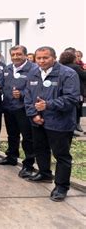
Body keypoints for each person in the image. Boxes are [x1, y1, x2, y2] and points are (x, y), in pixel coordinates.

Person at [24, 46, 80, 202]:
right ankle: (44, 174)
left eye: (45, 58)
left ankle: (61, 187)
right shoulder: (33, 73)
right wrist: (34, 114)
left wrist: (48, 105)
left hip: (60, 123)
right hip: (38, 121)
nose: (41, 61)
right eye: (39, 58)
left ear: (54, 58)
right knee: (40, 149)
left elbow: (72, 99)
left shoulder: (68, 74)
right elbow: (28, 96)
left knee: (61, 155)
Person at [0, 45, 36, 179]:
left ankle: (28, 165)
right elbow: (0, 84)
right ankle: (12, 157)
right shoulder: (7, 68)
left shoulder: (33, 69)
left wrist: (23, 94)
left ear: (25, 55)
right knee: (12, 135)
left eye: (18, 54)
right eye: (13, 55)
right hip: (8, 107)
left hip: (23, 109)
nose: (15, 57)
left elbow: (37, 89)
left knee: (27, 137)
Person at [59, 51, 86, 134]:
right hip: (76, 92)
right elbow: (84, 76)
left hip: (62, 92)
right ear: (73, 58)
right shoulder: (76, 67)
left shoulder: (60, 67)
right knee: (77, 110)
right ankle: (75, 127)